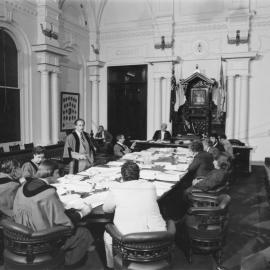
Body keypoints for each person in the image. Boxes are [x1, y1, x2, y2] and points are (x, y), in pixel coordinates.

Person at [13, 160, 93, 268]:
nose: (59, 177)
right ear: (54, 172)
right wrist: (82, 213)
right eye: (59, 173)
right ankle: (68, 265)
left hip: (22, 236)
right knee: (84, 232)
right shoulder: (48, 193)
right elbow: (65, 223)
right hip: (42, 241)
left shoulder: (22, 187)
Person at [103, 161, 171, 269]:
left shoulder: (116, 188)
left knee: (107, 234)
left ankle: (112, 267)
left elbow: (106, 209)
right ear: (138, 175)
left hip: (130, 244)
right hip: (158, 241)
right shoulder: (151, 186)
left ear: (122, 176)